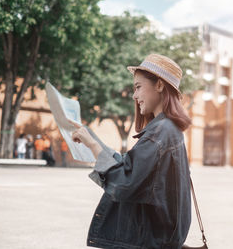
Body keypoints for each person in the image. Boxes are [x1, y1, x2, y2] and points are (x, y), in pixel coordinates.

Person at [69, 54, 192, 249]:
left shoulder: (160, 132)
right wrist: (92, 141)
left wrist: (93, 146)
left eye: (138, 87)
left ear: (159, 85)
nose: (134, 96)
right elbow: (132, 168)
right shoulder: (167, 129)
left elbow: (124, 181)